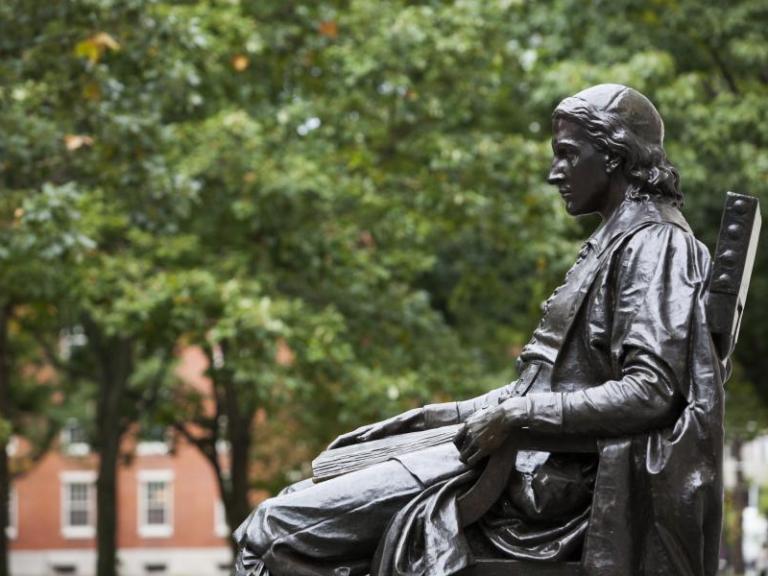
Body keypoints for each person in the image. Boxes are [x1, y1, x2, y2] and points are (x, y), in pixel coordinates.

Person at [233, 84, 725, 576]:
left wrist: (516, 417)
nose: (555, 173)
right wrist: (433, 416)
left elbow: (652, 390)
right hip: (515, 459)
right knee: (306, 489)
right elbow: (545, 383)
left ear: (615, 155)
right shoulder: (618, 239)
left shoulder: (656, 244)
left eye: (568, 156)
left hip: (539, 480)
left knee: (271, 531)